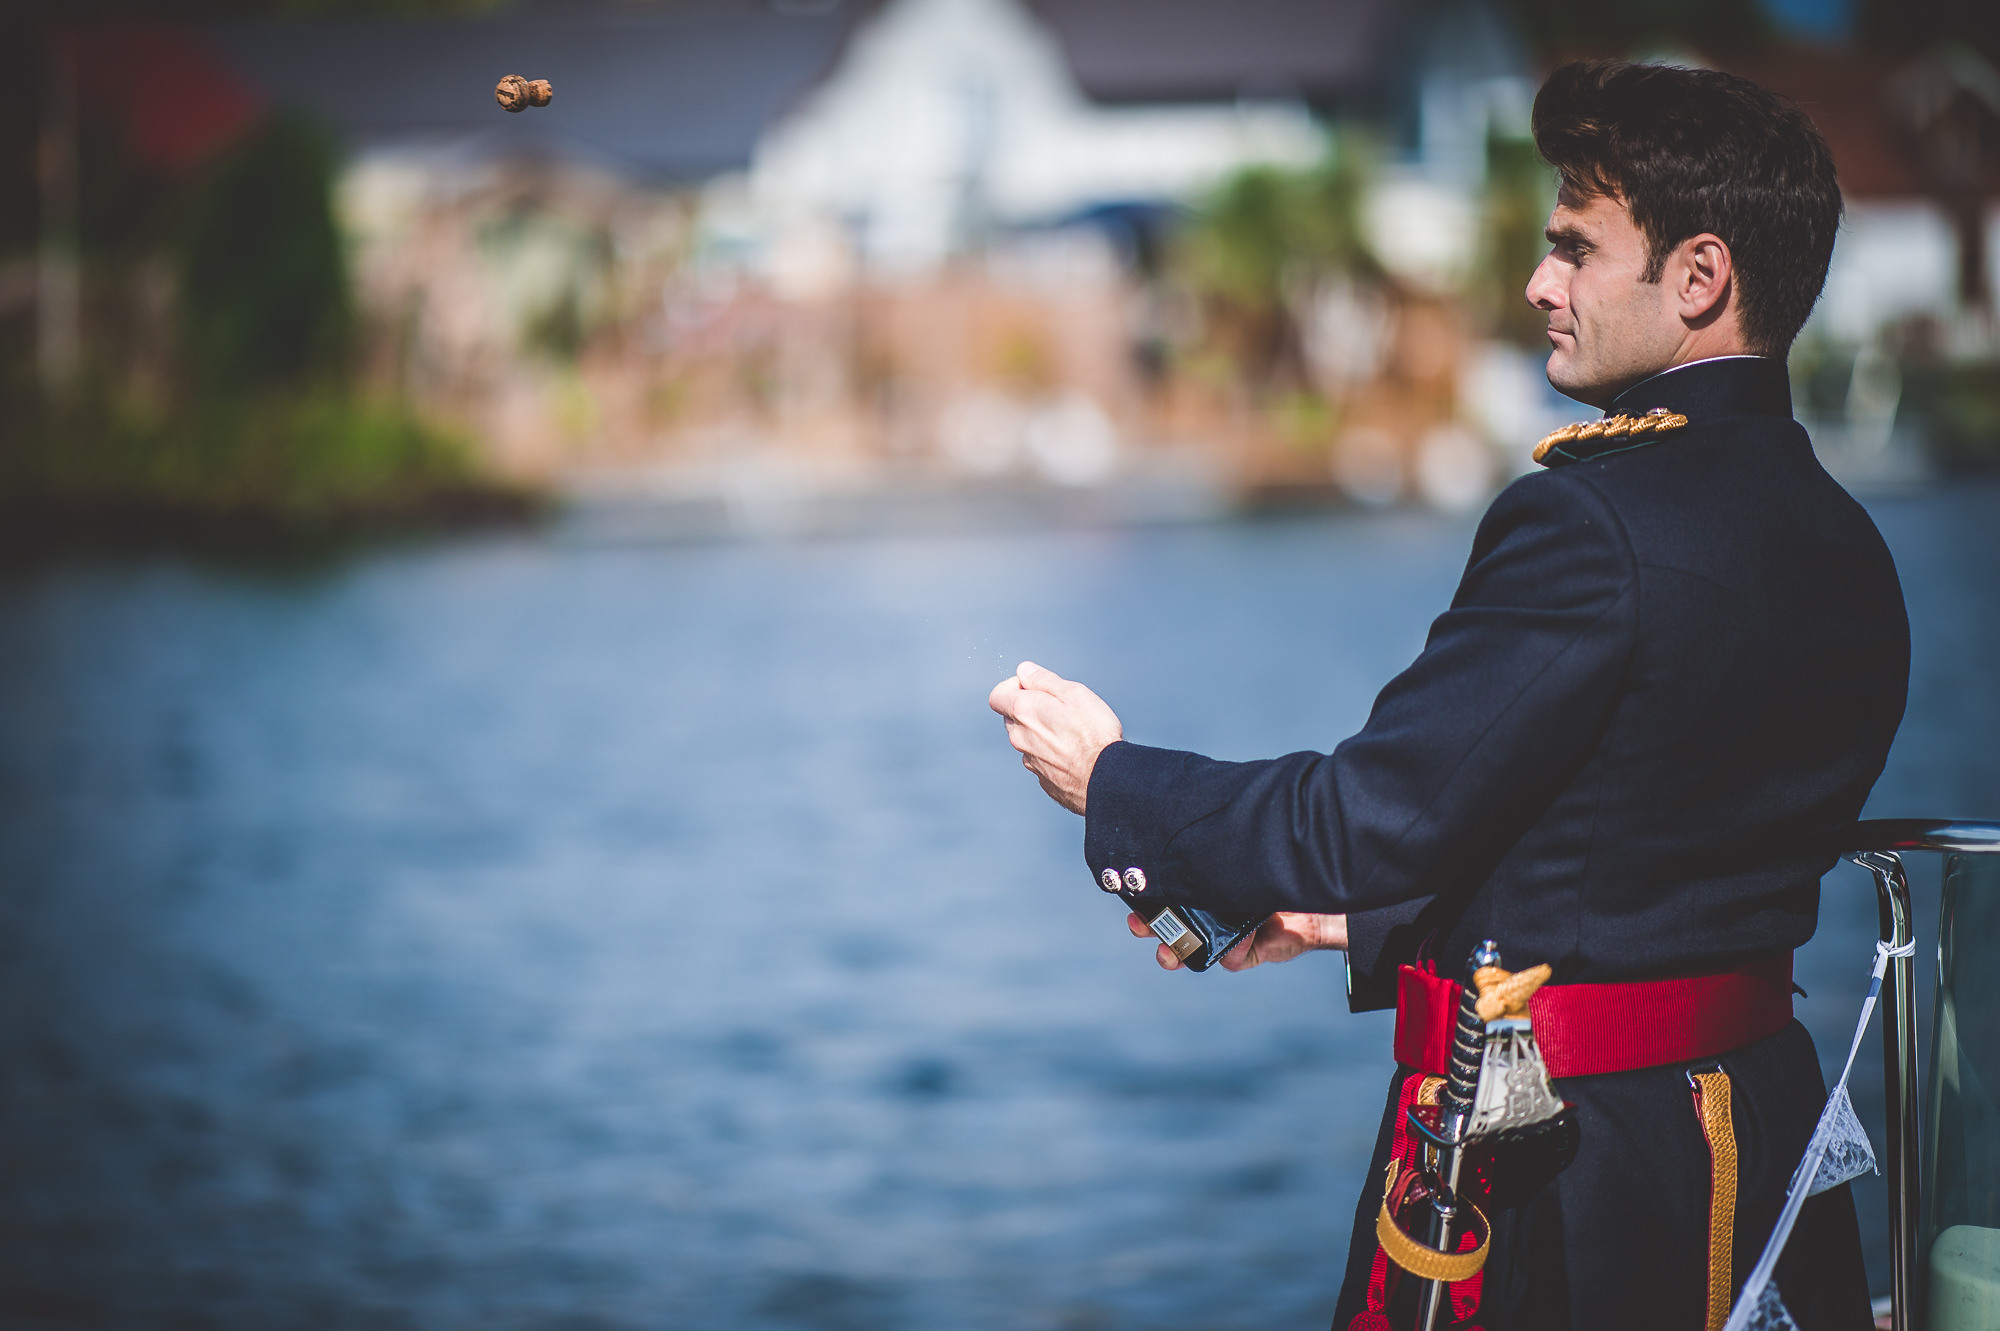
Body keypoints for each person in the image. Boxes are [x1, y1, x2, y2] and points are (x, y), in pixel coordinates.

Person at [988, 60, 1907, 1331]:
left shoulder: (1587, 515)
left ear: (1696, 279)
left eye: (1575, 250)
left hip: (1559, 1172)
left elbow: (1369, 817)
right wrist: (1347, 925)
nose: (1539, 284)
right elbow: (1644, 851)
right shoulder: (1844, 543)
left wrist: (1115, 781)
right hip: (1755, 1131)